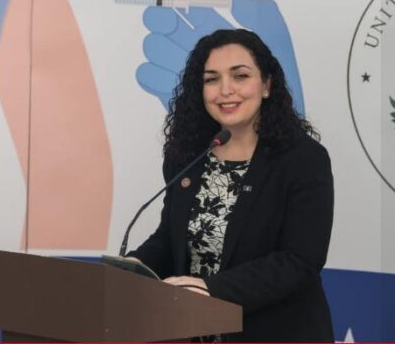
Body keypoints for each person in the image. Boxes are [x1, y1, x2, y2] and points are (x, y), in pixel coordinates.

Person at [129, 29, 334, 342]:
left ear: (266, 85)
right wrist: (134, 266)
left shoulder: (303, 159)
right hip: (195, 331)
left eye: (240, 76)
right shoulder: (188, 155)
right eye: (212, 79)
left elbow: (299, 261)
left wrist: (211, 289)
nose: (225, 90)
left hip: (274, 332)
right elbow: (172, 238)